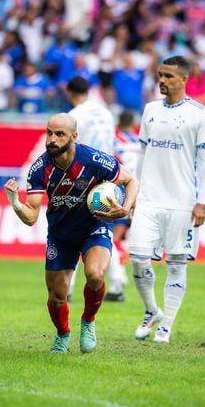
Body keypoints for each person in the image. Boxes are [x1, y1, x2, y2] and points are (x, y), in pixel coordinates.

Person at [4, 113, 138, 354]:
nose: (52, 139)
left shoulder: (95, 159)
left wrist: (125, 209)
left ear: (74, 136)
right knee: (57, 296)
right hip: (61, 235)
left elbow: (131, 181)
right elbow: (31, 216)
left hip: (93, 228)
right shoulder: (40, 168)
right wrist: (15, 203)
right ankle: (62, 334)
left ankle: (88, 321)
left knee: (95, 274)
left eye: (59, 134)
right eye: (49, 133)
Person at [128, 55, 205, 344]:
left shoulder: (200, 114)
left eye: (167, 76)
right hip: (149, 200)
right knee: (139, 259)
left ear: (183, 79)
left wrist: (201, 201)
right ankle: (152, 310)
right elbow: (142, 155)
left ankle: (166, 325)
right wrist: (135, 193)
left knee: (177, 263)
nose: (161, 80)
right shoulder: (150, 109)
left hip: (183, 202)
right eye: (160, 75)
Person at [65, 75, 119, 302]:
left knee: (73, 232)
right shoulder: (105, 111)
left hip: (84, 178)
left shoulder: (72, 116)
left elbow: (70, 151)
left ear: (69, 93)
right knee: (103, 228)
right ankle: (117, 285)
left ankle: (67, 288)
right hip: (107, 177)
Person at [104, 109, 141, 302]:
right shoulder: (138, 141)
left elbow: (112, 166)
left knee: (114, 237)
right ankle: (121, 276)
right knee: (125, 237)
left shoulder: (114, 140)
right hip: (139, 193)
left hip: (119, 194)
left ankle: (118, 279)